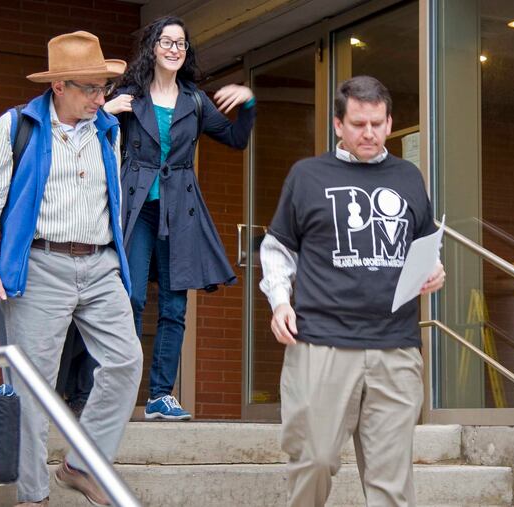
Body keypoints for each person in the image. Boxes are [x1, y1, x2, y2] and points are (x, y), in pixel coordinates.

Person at [0, 31, 142, 507]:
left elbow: (112, 199)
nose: (101, 97)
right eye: (91, 88)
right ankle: (33, 496)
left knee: (125, 362)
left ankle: (82, 465)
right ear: (59, 86)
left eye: (103, 87)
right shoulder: (16, 126)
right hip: (41, 264)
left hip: (101, 264)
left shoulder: (108, 130)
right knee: (31, 385)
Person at [259, 75, 446, 506]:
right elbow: (278, 248)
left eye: (378, 124)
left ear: (390, 122)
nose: (369, 133)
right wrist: (280, 303)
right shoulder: (307, 175)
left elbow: (423, 247)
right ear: (338, 125)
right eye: (359, 124)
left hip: (395, 347)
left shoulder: (409, 176)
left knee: (390, 482)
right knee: (315, 459)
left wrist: (434, 271)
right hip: (322, 343)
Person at [104, 16, 256, 420]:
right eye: (167, 41)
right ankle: (120, 390)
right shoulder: (130, 96)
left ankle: (160, 395)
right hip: (138, 208)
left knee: (174, 306)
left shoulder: (195, 100)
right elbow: (91, 137)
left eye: (181, 43)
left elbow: (236, 139)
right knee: (131, 298)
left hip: (180, 211)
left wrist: (249, 102)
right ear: (152, 47)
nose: (174, 49)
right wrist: (105, 112)